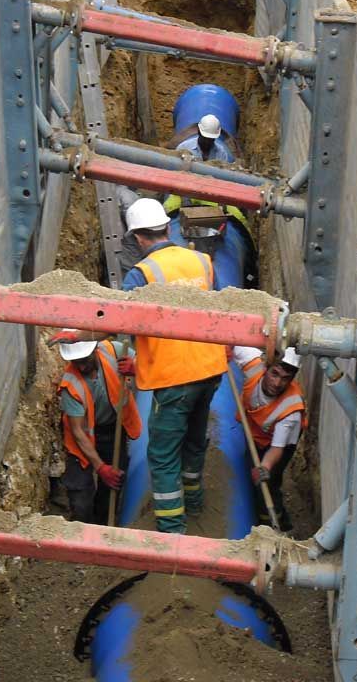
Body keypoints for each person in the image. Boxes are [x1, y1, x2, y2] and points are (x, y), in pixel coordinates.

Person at [52, 199, 227, 533]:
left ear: (138, 238)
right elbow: (222, 310)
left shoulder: (142, 274)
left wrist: (78, 333)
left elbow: (117, 323)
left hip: (173, 378)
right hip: (210, 371)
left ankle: (172, 530)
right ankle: (196, 502)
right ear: (166, 228)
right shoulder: (203, 261)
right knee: (193, 441)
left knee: (162, 456)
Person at [57, 332, 141, 525]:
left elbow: (147, 365)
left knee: (113, 485)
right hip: (83, 440)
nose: (83, 366)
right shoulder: (71, 384)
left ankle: (105, 526)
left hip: (113, 429)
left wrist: (135, 367)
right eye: (77, 362)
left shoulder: (114, 350)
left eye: (85, 360)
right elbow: (78, 432)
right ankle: (83, 532)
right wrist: (101, 467)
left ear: (95, 349)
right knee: (80, 499)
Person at [232, 345, 306, 532]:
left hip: (280, 442)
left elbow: (277, 448)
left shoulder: (291, 411)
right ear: (266, 367)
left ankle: (276, 526)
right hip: (256, 431)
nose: (277, 383)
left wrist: (264, 467)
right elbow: (233, 341)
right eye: (275, 374)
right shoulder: (254, 365)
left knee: (268, 483)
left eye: (285, 379)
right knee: (250, 471)